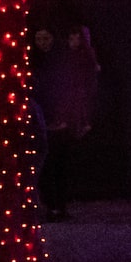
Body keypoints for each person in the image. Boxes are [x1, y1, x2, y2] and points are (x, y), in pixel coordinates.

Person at [36, 25, 99, 218]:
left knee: (59, 164)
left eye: (46, 38)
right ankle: (51, 205)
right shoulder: (35, 61)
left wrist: (64, 116)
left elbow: (67, 89)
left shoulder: (61, 61)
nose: (43, 43)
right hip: (41, 117)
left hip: (59, 119)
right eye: (39, 39)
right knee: (45, 165)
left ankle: (60, 206)